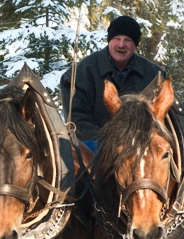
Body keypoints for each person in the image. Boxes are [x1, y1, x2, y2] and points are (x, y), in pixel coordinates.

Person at [60, 15, 166, 151]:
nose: (121, 45)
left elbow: (161, 118)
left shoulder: (155, 75)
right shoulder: (79, 73)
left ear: (135, 44)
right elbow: (76, 118)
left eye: (127, 40)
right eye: (117, 39)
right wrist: (108, 143)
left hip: (141, 150)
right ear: (109, 40)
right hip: (92, 148)